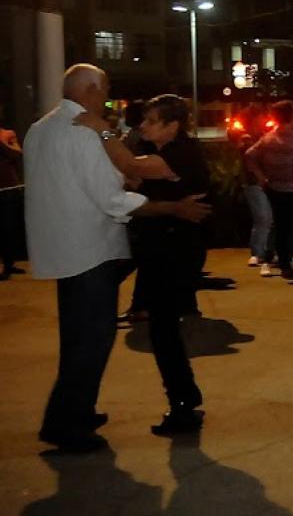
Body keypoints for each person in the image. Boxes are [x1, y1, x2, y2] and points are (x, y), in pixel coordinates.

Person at [24, 65, 209, 452]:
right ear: (90, 91)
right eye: (105, 89)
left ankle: (80, 410)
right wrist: (169, 209)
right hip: (91, 246)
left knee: (82, 337)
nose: (107, 97)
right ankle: (67, 422)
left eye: (151, 120)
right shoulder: (84, 132)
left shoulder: (39, 128)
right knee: (92, 339)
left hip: (62, 246)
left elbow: (127, 172)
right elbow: (113, 194)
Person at [122, 95, 212, 435]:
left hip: (174, 252)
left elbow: (132, 168)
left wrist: (99, 134)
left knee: (164, 331)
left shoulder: (180, 154)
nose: (142, 126)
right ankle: (184, 400)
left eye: (150, 121)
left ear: (171, 125)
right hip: (164, 249)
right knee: (164, 330)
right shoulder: (172, 152)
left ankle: (184, 406)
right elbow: (135, 179)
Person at [244, 100, 293, 278]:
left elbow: (249, 155)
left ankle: (285, 266)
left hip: (275, 188)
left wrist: (261, 176)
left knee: (282, 228)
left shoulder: (268, 139)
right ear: (291, 116)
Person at [236, 133, 275, 273]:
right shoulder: (250, 145)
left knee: (269, 219)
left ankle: (267, 252)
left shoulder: (267, 138)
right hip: (254, 184)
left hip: (268, 183)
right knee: (263, 219)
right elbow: (245, 156)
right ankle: (258, 253)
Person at [1, 104, 23, 279]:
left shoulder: (8, 134)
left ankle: (9, 264)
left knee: (9, 227)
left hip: (8, 187)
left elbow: (17, 154)